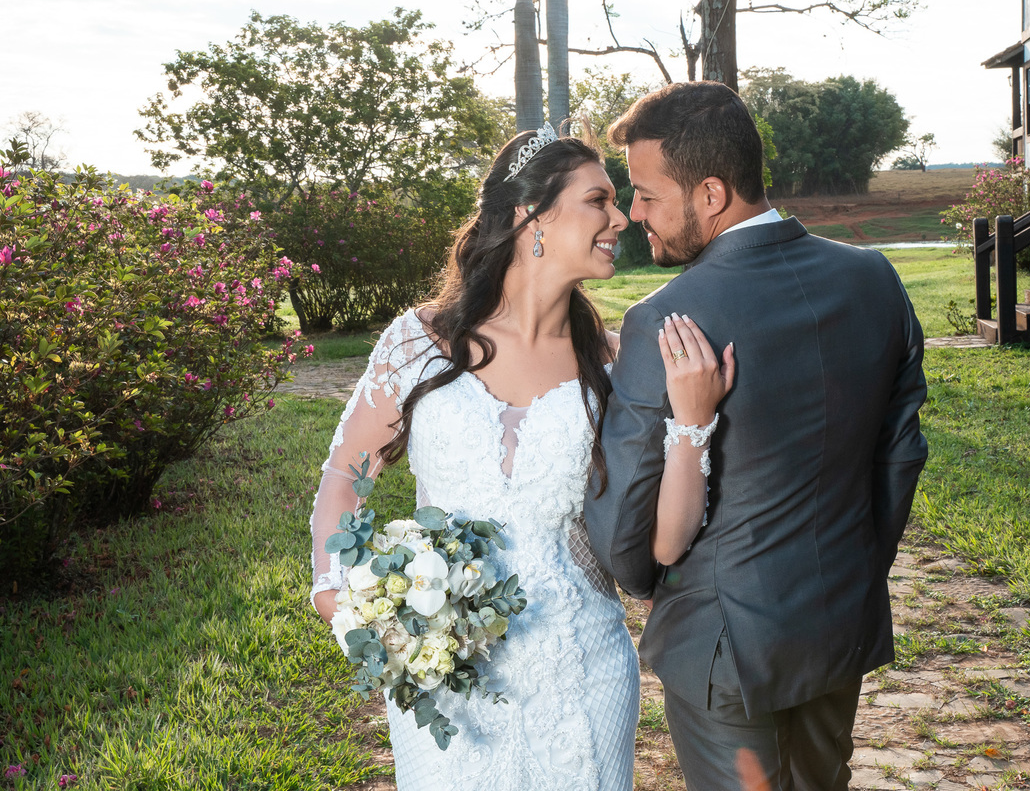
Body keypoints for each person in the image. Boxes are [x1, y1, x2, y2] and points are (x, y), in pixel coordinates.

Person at [307, 122, 731, 791]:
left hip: (582, 669)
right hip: (445, 672)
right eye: (599, 200)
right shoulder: (418, 345)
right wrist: (339, 597)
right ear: (528, 217)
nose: (620, 218)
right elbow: (344, 477)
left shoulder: (614, 365)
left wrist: (692, 422)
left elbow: (666, 541)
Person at [584, 82, 929, 791]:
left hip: (723, 644)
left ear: (710, 193)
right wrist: (854, 576)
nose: (634, 214)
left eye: (647, 194)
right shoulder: (873, 279)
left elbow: (627, 528)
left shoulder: (668, 319)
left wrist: (650, 582)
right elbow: (901, 456)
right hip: (838, 623)